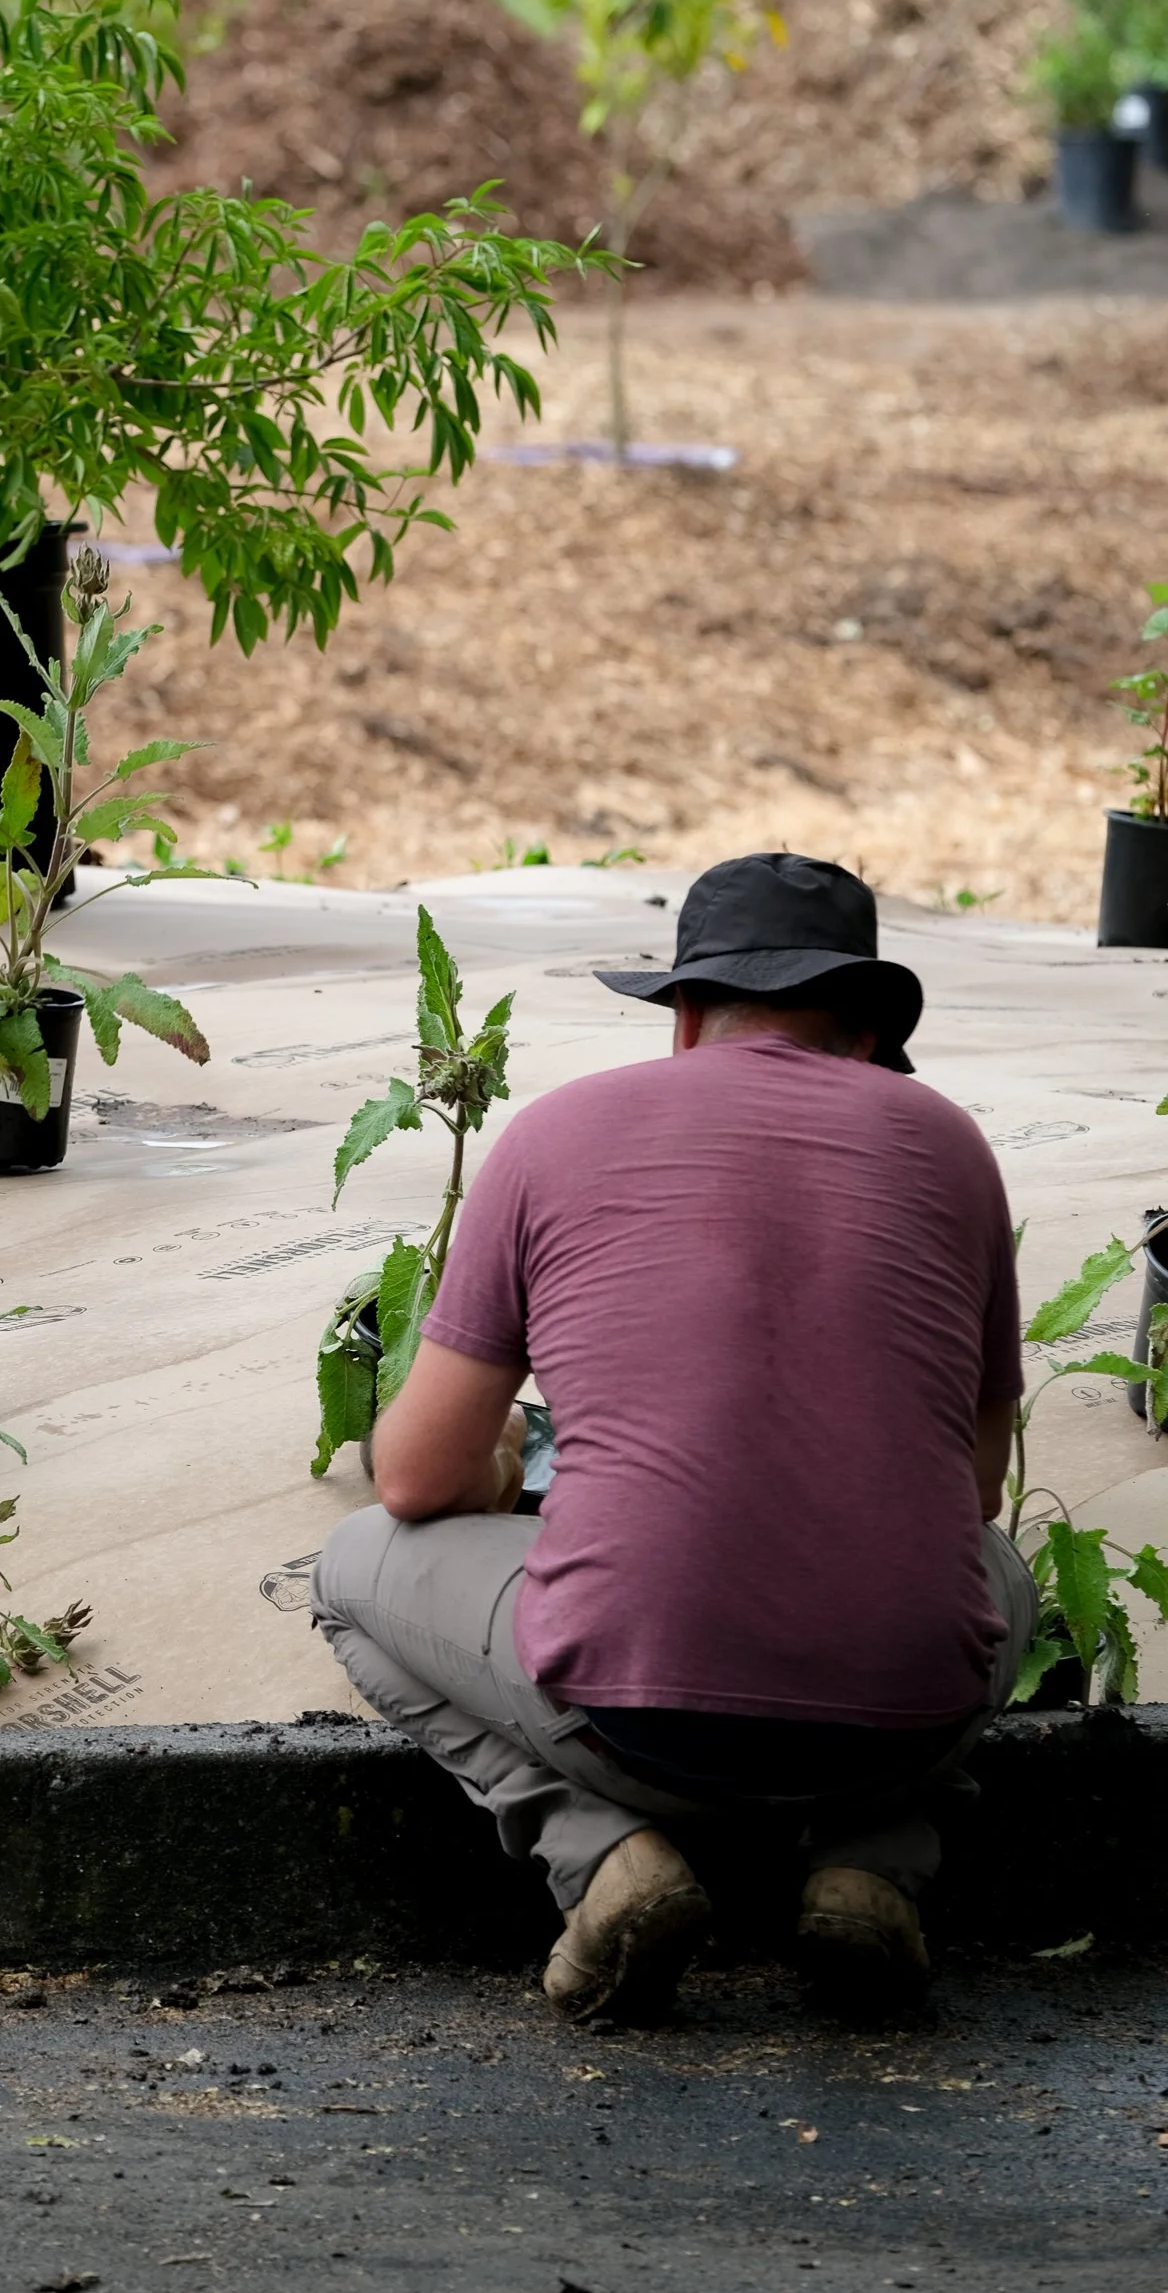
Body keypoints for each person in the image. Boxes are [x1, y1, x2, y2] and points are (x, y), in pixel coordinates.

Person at [312, 853, 1034, 2022]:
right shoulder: (951, 1148)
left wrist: (511, 1470)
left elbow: (412, 1474)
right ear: (862, 1034)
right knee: (1000, 1578)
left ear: (683, 1013)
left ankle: (599, 1854)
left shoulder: (555, 1133)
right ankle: (870, 1862)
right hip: (891, 1730)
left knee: (349, 1568)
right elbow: (975, 1486)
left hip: (625, 1730)